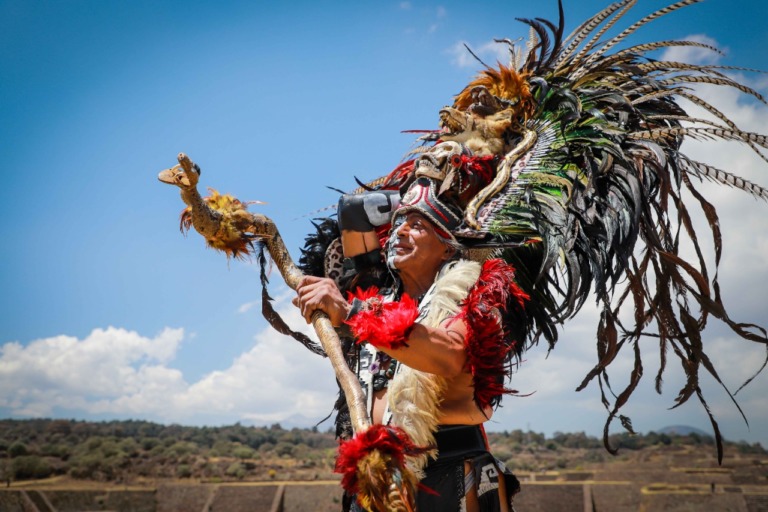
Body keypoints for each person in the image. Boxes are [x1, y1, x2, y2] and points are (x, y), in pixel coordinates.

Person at [293, 176, 524, 511]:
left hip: (448, 472)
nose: (400, 231)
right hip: (380, 476)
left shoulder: (473, 296)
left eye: (417, 226)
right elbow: (354, 211)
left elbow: (449, 356)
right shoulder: (378, 294)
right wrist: (408, 191)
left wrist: (352, 312)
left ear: (448, 245)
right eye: (398, 223)